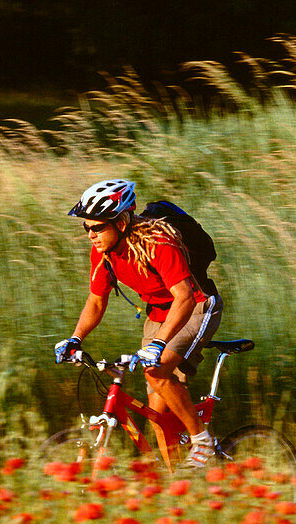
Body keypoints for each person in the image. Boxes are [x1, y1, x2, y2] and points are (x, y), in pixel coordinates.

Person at [55, 179, 222, 469]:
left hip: (196, 307)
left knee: (156, 372)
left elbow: (183, 297)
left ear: (120, 223)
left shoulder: (158, 241)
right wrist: (75, 338)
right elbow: (96, 301)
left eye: (97, 227)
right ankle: (177, 482)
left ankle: (202, 441)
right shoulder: (104, 252)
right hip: (158, 315)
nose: (90, 235)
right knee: (158, 414)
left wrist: (158, 344)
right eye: (86, 228)